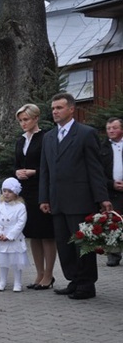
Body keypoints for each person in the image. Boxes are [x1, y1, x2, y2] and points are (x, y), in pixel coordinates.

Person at [39, 92, 111, 300]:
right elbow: (45, 170)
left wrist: (102, 198)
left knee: (83, 244)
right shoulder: (49, 137)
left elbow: (95, 169)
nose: (55, 112)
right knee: (64, 244)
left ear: (71, 109)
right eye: (53, 108)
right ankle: (74, 280)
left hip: (80, 200)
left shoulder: (85, 133)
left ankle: (87, 285)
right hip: (57, 200)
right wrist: (44, 198)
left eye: (59, 108)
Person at [14, 103, 56, 289]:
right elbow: (16, 164)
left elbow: (52, 166)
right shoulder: (20, 141)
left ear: (36, 118)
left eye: (26, 119)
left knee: (46, 234)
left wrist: (33, 172)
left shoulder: (46, 137)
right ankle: (39, 274)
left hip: (42, 190)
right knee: (33, 235)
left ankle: (49, 275)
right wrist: (17, 173)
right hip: (26, 192)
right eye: (21, 120)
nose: (23, 123)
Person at [0, 177, 29, 292]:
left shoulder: (20, 207)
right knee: (2, 261)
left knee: (16, 261)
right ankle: (2, 281)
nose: (6, 194)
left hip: (13, 239)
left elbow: (20, 223)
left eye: (10, 191)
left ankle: (17, 282)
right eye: (5, 191)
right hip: (1, 237)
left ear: (15, 193)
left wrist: (10, 236)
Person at [100, 117, 123, 266]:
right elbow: (98, 172)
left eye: (114, 128)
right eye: (108, 128)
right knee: (112, 223)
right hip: (111, 190)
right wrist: (111, 184)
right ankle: (113, 254)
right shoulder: (102, 148)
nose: (111, 131)